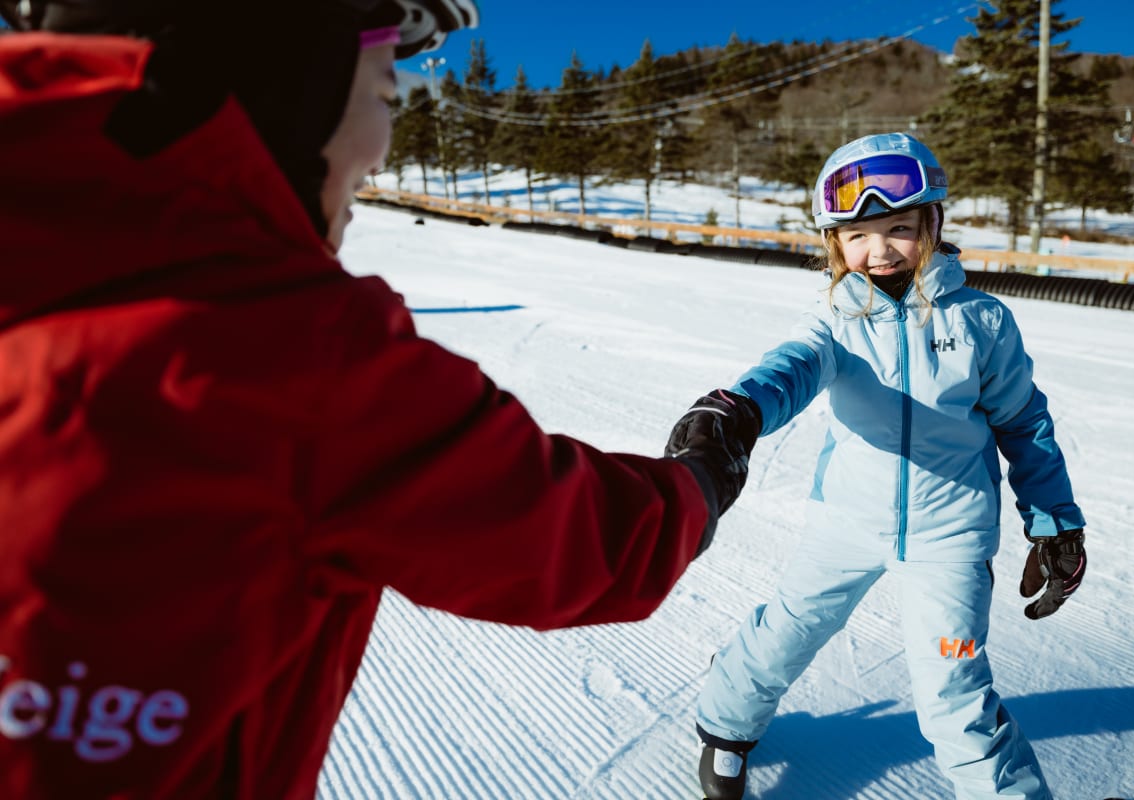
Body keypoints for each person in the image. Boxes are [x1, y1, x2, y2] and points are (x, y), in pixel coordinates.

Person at [0, 2, 751, 797]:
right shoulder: (296, 353)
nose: (381, 150)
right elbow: (572, 538)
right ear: (288, 79)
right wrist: (700, 479)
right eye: (386, 96)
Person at [666, 132, 1087, 800]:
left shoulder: (982, 322)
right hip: (846, 521)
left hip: (950, 536)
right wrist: (737, 411)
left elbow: (1023, 422)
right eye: (857, 235)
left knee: (954, 687)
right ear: (835, 241)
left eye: (898, 228)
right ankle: (725, 724)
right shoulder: (835, 318)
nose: (880, 251)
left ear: (932, 223)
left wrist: (1055, 518)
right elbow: (793, 367)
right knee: (788, 629)